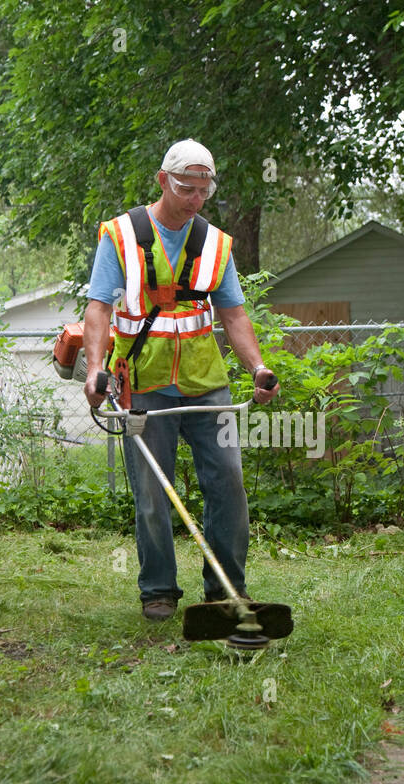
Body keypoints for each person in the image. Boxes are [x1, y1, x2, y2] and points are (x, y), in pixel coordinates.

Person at [81, 140, 279, 620]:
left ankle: (226, 589)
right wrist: (94, 370)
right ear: (162, 180)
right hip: (142, 382)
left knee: (229, 481)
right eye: (185, 188)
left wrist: (257, 368)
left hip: (205, 382)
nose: (194, 199)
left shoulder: (216, 244)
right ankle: (158, 590)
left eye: (202, 191)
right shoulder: (122, 236)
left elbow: (233, 315)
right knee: (151, 490)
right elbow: (99, 308)